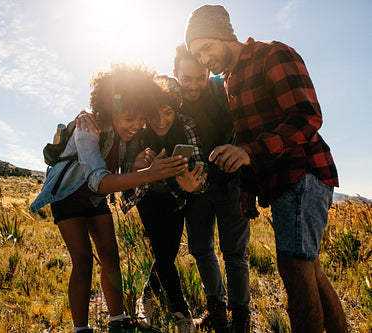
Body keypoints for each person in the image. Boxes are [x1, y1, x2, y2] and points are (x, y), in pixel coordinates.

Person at [185, 4, 347, 333]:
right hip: (277, 182)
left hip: (304, 173)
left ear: (223, 35)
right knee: (308, 268)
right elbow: (246, 139)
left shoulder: (272, 55)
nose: (204, 61)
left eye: (206, 48)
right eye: (196, 54)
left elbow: (307, 117)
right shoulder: (231, 82)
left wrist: (249, 152)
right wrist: (247, 187)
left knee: (293, 267)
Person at [30, 64, 189, 333]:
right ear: (110, 109)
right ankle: (81, 329)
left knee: (111, 256)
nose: (137, 125)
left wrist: (139, 167)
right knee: (82, 260)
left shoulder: (129, 134)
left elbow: (125, 174)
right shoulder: (87, 128)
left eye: (141, 118)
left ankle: (118, 322)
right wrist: (149, 174)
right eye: (129, 118)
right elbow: (99, 180)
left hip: (95, 199)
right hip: (68, 196)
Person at [173, 43, 253, 332]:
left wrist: (248, 183)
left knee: (235, 253)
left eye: (199, 77)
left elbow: (247, 127)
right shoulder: (171, 101)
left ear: (207, 72)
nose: (193, 85)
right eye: (186, 78)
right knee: (199, 248)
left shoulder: (223, 91)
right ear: (176, 73)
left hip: (231, 183)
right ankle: (216, 310)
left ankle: (241, 317)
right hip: (196, 189)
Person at [120, 76, 206, 333]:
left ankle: (145, 297)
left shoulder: (186, 125)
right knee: (164, 252)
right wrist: (136, 168)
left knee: (166, 254)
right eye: (154, 113)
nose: (160, 120)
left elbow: (202, 163)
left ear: (176, 110)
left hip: (177, 198)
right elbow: (123, 171)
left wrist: (196, 184)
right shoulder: (139, 131)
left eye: (168, 112)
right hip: (147, 196)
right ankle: (182, 315)